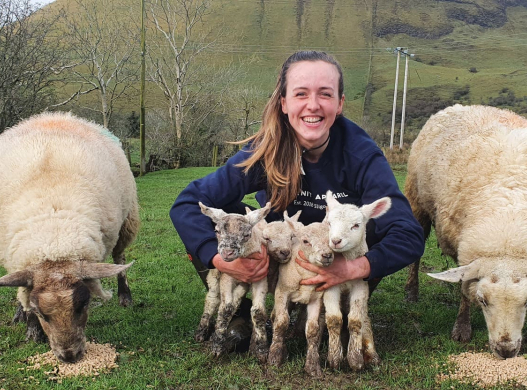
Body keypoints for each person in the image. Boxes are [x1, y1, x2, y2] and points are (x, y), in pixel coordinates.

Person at [169, 50, 425, 348]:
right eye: (301, 93)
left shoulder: (361, 155)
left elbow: (408, 233)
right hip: (280, 254)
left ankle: (337, 306)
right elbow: (188, 203)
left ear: (340, 103)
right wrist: (220, 260)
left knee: (372, 226)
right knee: (225, 219)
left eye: (325, 94)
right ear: (284, 102)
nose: (313, 105)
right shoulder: (264, 149)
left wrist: (353, 269)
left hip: (332, 262)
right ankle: (241, 312)